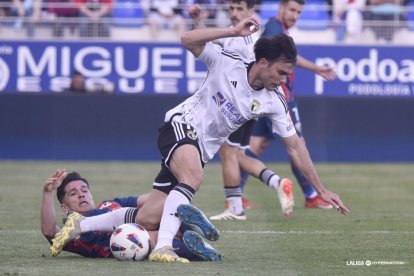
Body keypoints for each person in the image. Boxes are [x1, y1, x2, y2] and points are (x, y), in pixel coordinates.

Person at [52, 18, 349, 264]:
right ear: (262, 62)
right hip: (180, 127)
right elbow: (187, 39)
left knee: (149, 214)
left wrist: (320, 189)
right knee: (194, 176)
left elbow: (296, 146)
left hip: (199, 149)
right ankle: (163, 247)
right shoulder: (228, 62)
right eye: (281, 72)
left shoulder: (274, 100)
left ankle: (82, 224)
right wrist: (231, 31)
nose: (284, 79)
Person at [188, 0, 294, 220]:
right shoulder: (240, 35)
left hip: (239, 102)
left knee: (228, 154)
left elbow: (212, 48)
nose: (234, 14)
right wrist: (198, 20)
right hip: (248, 103)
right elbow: (209, 40)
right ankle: (276, 182)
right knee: (238, 154)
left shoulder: (245, 40)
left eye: (239, 9)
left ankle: (235, 207)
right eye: (231, 9)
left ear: (251, 12)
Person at [238, 0, 337, 210]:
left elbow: (287, 58)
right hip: (280, 97)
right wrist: (316, 68)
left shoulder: (278, 28)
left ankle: (236, 195)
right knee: (297, 144)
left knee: (256, 145)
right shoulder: (275, 27)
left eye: (299, 12)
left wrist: (316, 69)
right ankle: (311, 195)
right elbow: (271, 56)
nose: (294, 15)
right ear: (281, 8)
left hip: (270, 95)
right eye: (292, 10)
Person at [43, 169, 221, 261]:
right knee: (140, 234)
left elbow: (149, 199)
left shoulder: (110, 203)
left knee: (158, 209)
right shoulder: (73, 234)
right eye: (73, 194)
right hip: (130, 245)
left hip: (153, 226)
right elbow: (49, 231)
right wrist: (47, 192)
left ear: (91, 194)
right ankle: (192, 238)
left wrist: (168, 196)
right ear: (64, 207)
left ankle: (190, 232)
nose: (81, 194)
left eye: (84, 190)